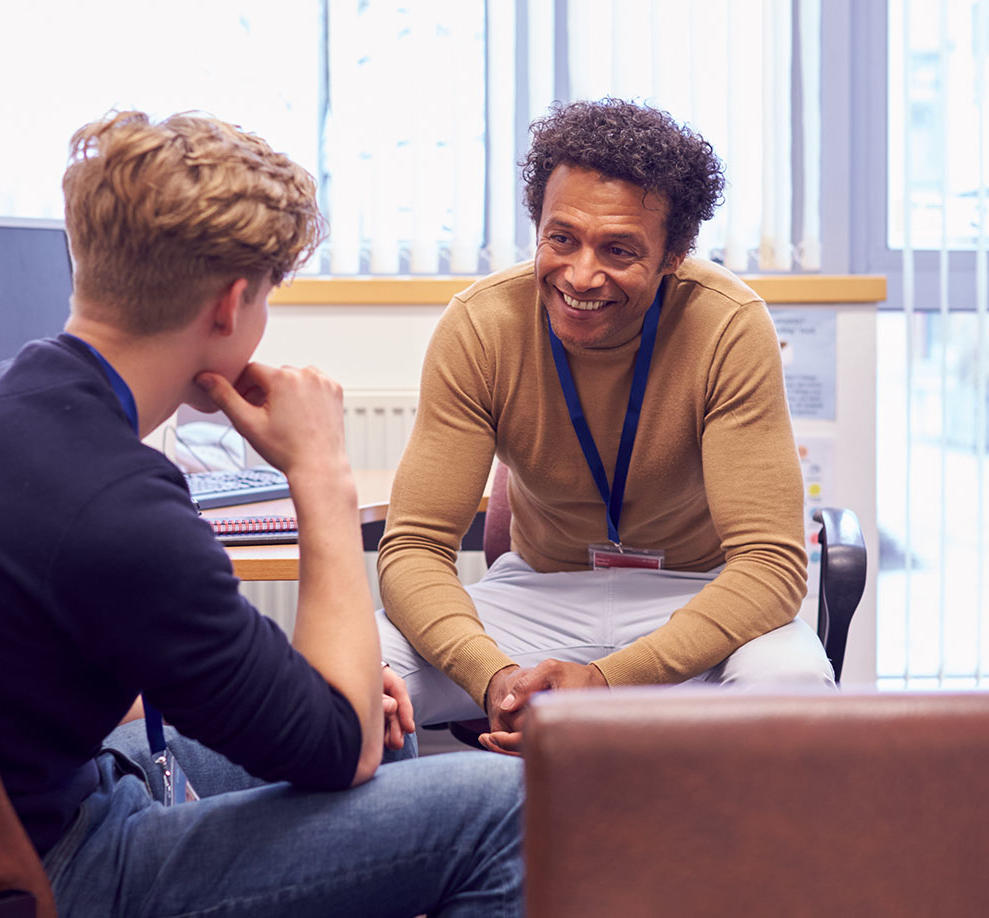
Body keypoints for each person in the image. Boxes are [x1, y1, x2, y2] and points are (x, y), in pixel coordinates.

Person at [0, 110, 523, 917]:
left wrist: (322, 698)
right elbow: (337, 750)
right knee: (510, 806)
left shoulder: (28, 409)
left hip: (62, 790)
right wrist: (320, 471)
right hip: (62, 867)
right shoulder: (122, 508)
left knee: (388, 725)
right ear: (231, 304)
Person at [377, 98, 834, 756]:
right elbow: (414, 549)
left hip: (695, 596)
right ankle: (426, 850)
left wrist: (609, 680)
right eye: (560, 238)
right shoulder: (481, 325)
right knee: (355, 674)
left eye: (618, 249)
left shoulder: (727, 325)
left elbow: (768, 566)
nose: (581, 275)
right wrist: (496, 678)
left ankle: (723, 863)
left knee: (793, 692)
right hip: (537, 596)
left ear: (673, 253)